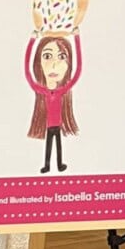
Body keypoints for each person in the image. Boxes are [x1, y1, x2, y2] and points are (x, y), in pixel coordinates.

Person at [25, 32, 81, 174]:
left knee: (58, 147)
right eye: (47, 56)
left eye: (62, 57)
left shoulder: (62, 91)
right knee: (49, 147)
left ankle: (60, 164)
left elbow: (78, 70)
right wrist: (32, 40)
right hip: (49, 127)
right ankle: (47, 165)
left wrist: (76, 38)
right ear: (38, 62)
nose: (54, 65)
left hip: (57, 125)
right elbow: (27, 72)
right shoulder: (42, 91)